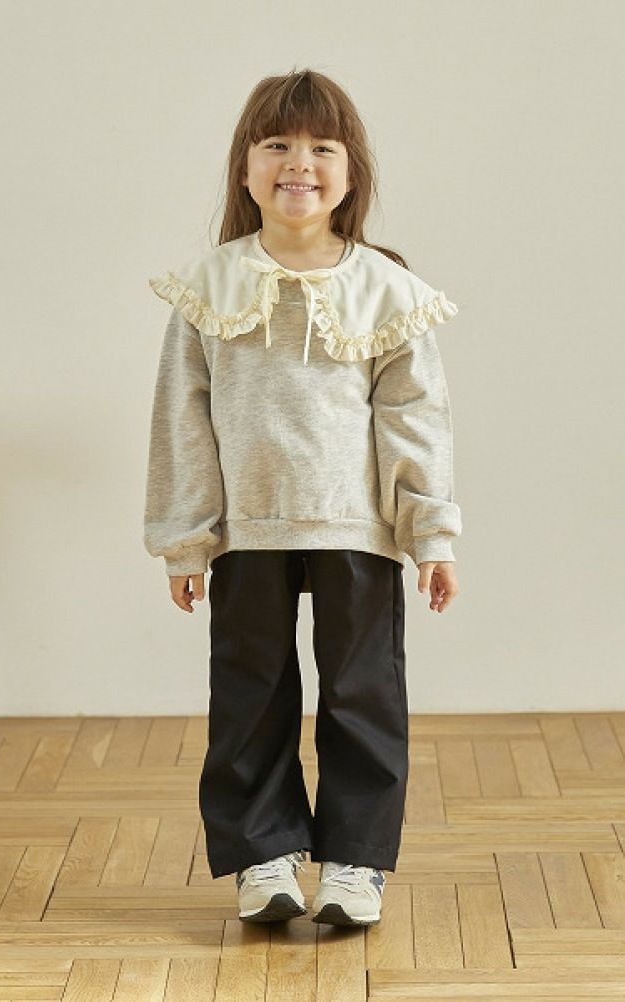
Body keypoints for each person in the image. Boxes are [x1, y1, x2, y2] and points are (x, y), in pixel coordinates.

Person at [143, 68, 462, 928]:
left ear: (351, 173)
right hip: (248, 530)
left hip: (358, 526)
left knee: (363, 695)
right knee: (249, 693)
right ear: (245, 168)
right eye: (277, 145)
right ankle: (265, 855)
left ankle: (357, 863)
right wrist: (185, 539)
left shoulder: (387, 289)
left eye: (323, 147)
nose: (299, 163)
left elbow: (415, 419)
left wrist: (431, 534)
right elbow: (182, 420)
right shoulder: (208, 285)